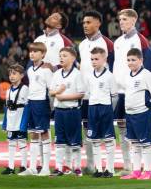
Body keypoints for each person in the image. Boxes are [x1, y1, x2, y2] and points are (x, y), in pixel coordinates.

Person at [113, 9, 151, 176]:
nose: (121, 22)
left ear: (133, 20)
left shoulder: (140, 40)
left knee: (140, 135)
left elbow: (149, 60)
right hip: (119, 91)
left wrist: (142, 84)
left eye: (124, 19)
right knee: (123, 127)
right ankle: (128, 165)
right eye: (120, 19)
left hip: (135, 91)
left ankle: (145, 169)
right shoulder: (117, 42)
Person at [78, 10, 114, 174]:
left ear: (98, 23)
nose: (85, 25)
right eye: (84, 23)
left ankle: (118, 166)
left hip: (103, 97)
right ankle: (92, 165)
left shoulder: (106, 43)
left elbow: (112, 67)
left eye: (89, 22)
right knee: (88, 130)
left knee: (109, 134)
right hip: (87, 95)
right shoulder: (82, 45)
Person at [120, 48, 151, 180]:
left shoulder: (147, 75)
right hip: (130, 114)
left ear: (141, 60)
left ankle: (148, 171)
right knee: (135, 143)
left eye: (133, 60)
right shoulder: (127, 76)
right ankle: (136, 170)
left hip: (142, 113)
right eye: (128, 60)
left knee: (145, 143)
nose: (130, 62)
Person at [19, 42, 54, 176]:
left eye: (35, 51)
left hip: (42, 103)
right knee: (33, 134)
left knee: (44, 133)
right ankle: (33, 167)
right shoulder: (29, 70)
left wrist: (50, 107)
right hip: (31, 103)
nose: (32, 54)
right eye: (31, 51)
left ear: (43, 54)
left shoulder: (46, 70)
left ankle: (45, 167)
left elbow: (51, 89)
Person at [49, 47, 85, 176]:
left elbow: (81, 94)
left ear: (73, 58)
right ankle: (59, 167)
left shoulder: (77, 74)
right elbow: (51, 91)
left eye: (64, 55)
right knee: (60, 141)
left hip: (72, 111)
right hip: (59, 111)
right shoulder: (57, 73)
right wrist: (58, 92)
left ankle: (77, 167)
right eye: (60, 55)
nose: (61, 58)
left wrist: (62, 96)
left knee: (74, 141)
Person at [84, 47, 118, 178]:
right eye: (92, 59)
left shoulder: (109, 76)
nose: (93, 61)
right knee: (95, 140)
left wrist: (110, 110)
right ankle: (98, 169)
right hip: (93, 108)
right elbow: (88, 94)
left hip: (105, 108)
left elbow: (114, 96)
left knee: (109, 139)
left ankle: (110, 169)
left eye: (96, 59)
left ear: (104, 59)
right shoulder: (89, 76)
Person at [1, 64, 29, 175]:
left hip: (20, 120)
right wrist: (4, 123)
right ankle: (11, 167)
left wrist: (24, 124)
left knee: (22, 142)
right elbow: (6, 109)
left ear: (21, 75)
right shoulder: (8, 90)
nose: (11, 76)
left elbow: (27, 107)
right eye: (10, 73)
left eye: (14, 73)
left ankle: (23, 166)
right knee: (11, 143)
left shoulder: (25, 89)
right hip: (11, 120)